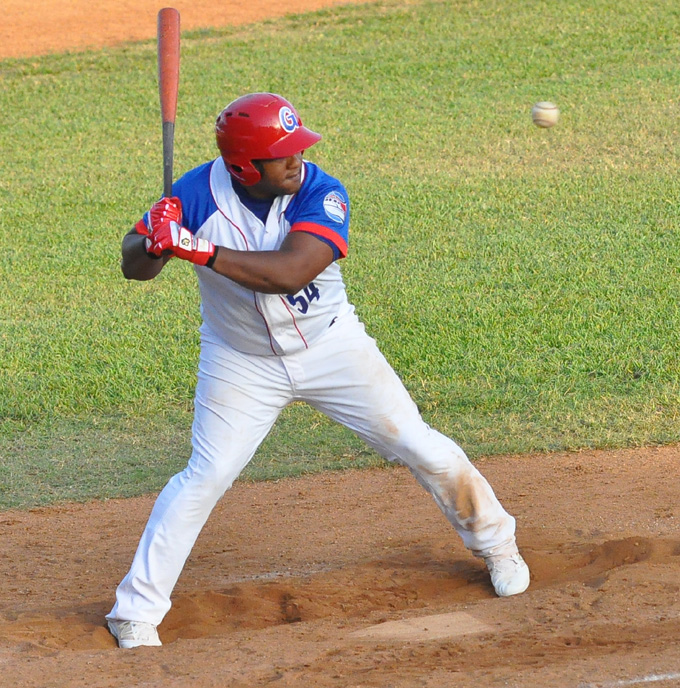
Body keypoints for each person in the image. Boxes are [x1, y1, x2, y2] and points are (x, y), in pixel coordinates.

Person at [106, 92, 530, 649]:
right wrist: (151, 242)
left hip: (334, 350)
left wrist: (195, 249)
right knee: (203, 478)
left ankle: (498, 545)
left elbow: (290, 271)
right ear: (242, 167)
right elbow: (133, 267)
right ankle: (134, 612)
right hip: (240, 363)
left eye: (298, 147)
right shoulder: (192, 194)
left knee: (418, 444)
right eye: (281, 154)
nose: (296, 159)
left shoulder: (321, 191)